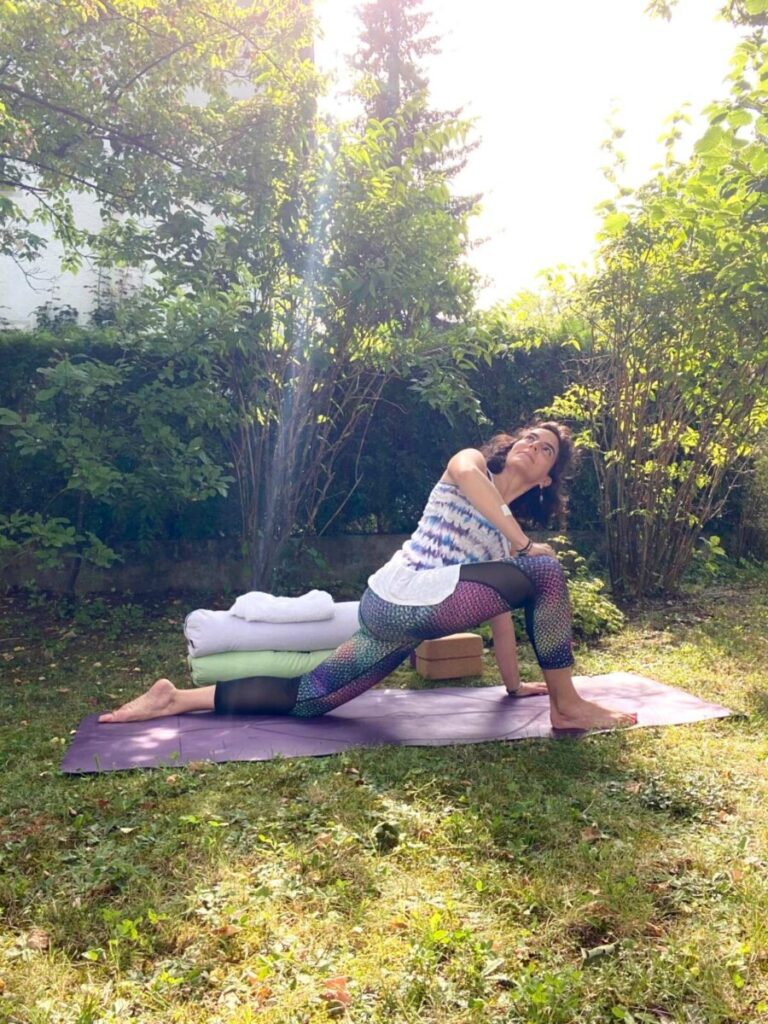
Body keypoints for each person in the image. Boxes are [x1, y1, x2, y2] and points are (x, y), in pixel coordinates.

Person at [99, 422, 636, 732]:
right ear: (509, 445)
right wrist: (522, 545)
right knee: (542, 567)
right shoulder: (472, 465)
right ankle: (568, 708)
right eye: (529, 436)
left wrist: (515, 686)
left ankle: (173, 699)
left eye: (546, 449)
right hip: (404, 596)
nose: (532, 445)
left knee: (310, 697)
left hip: (397, 619)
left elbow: (494, 610)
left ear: (547, 478)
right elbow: (473, 482)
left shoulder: (503, 539)